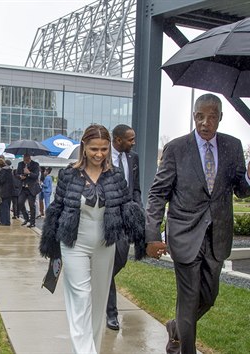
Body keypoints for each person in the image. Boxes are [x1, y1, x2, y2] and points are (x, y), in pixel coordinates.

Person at [145, 93, 250, 354]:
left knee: (209, 298)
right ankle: (183, 349)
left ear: (220, 118)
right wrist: (152, 234)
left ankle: (175, 328)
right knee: (188, 301)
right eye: (200, 116)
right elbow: (158, 194)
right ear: (194, 116)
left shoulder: (233, 147)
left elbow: (241, 190)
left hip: (217, 237)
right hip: (185, 235)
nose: (205, 122)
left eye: (211, 117)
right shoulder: (176, 148)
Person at [39, 124, 145, 354]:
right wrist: (51, 243)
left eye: (104, 149)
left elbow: (126, 205)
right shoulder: (68, 174)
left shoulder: (115, 175)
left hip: (105, 245)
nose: (99, 154)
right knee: (80, 299)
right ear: (84, 147)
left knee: (98, 305)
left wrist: (143, 233)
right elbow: (57, 208)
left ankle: (93, 349)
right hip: (74, 244)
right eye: (94, 149)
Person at [106, 123, 141, 331]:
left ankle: (99, 282)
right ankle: (112, 313)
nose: (133, 142)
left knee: (119, 260)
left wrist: (138, 210)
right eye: (130, 139)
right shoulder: (104, 157)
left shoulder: (133, 158)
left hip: (127, 216)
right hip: (108, 217)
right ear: (118, 140)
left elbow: (136, 187)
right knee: (110, 264)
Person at [16, 153, 41, 228]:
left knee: (31, 205)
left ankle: (32, 222)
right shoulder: (20, 164)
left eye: (27, 160)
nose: (25, 162)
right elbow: (17, 174)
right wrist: (20, 176)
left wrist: (29, 173)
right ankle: (26, 218)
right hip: (23, 187)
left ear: (29, 158)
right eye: (24, 160)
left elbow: (36, 175)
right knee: (20, 203)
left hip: (31, 188)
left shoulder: (35, 165)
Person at [0, 158, 16, 226]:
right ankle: (7, 221)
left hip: (4, 191)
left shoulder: (3, 170)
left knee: (3, 206)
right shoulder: (10, 170)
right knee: (8, 206)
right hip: (10, 191)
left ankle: (4, 221)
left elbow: (2, 180)